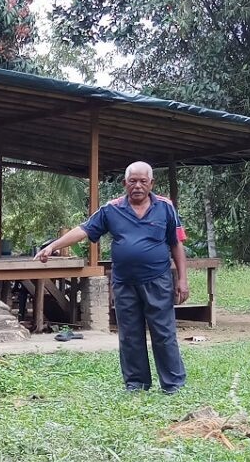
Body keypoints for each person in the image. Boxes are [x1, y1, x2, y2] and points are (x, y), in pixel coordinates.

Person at [36, 161, 189, 393]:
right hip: (125, 283)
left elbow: (176, 244)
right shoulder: (112, 209)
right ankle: (136, 384)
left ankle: (173, 384)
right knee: (129, 335)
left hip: (158, 280)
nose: (137, 186)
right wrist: (52, 247)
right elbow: (84, 230)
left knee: (164, 333)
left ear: (151, 184)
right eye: (132, 181)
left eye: (143, 181)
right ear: (124, 183)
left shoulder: (166, 208)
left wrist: (182, 279)